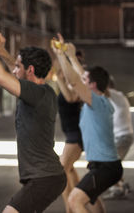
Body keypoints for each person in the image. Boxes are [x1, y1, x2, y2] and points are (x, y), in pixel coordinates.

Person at [0, 21, 66, 213]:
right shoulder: (40, 91)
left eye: (18, 67)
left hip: (44, 178)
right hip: (46, 177)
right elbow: (14, 69)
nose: (14, 71)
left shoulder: (38, 93)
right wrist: (0, 50)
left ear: (31, 70)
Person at [52, 37, 123, 213]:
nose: (82, 79)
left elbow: (75, 80)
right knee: (91, 200)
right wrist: (72, 56)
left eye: (86, 79)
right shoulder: (100, 100)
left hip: (106, 167)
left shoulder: (96, 101)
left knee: (74, 200)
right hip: (104, 166)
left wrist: (61, 55)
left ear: (92, 85)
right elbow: (80, 76)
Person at [54, 60, 83, 213]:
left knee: (61, 171)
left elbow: (71, 98)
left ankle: (70, 208)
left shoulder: (74, 86)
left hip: (76, 134)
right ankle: (80, 199)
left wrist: (59, 78)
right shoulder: (66, 85)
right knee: (69, 169)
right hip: (71, 133)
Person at [103, 78, 134, 199]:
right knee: (115, 162)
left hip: (123, 137)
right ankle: (121, 183)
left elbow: (104, 91)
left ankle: (117, 188)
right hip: (124, 136)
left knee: (110, 163)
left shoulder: (115, 95)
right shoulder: (119, 97)